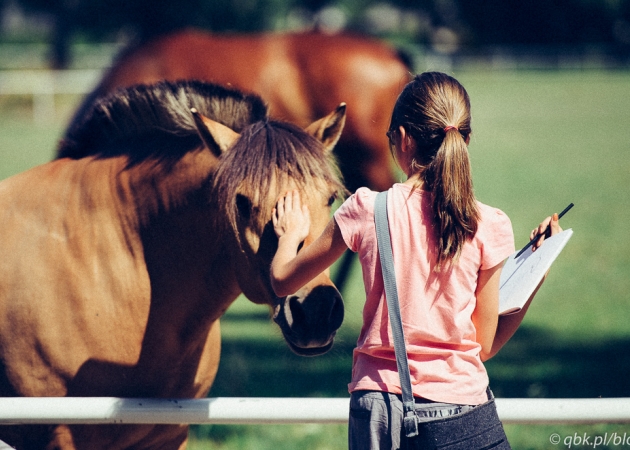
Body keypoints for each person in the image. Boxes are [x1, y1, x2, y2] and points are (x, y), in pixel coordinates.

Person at [270, 71, 562, 449]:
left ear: (403, 139)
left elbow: (281, 281)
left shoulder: (365, 209)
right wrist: (539, 270)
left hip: (378, 412)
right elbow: (484, 346)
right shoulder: (490, 224)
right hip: (461, 412)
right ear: (465, 140)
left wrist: (291, 233)